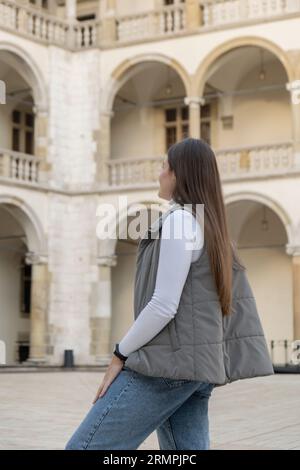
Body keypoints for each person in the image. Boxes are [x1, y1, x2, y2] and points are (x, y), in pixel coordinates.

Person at [65, 138, 274, 450]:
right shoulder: (210, 225)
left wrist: (119, 355)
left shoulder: (179, 220)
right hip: (198, 368)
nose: (159, 173)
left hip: (166, 367)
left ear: (178, 174)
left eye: (164, 166)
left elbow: (164, 305)